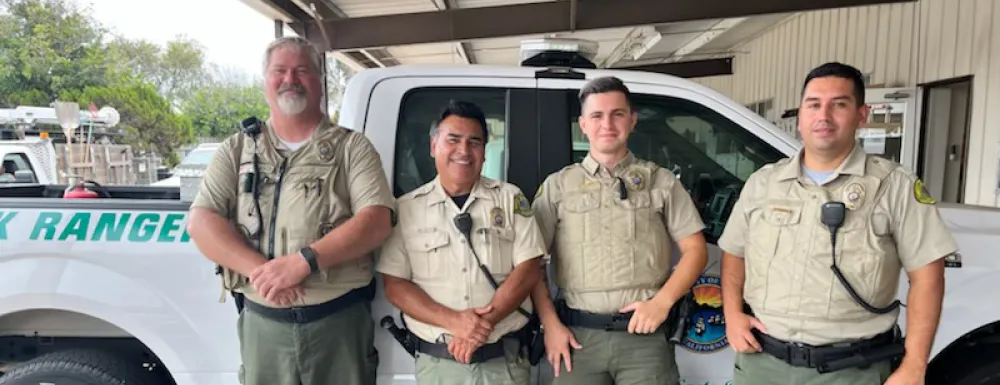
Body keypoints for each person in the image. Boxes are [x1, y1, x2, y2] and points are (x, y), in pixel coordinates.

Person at [718, 62, 957, 385]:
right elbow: (735, 253)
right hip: (764, 365)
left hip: (851, 371)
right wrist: (732, 315)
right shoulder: (764, 183)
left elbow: (928, 276)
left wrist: (914, 366)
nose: (824, 116)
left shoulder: (893, 186)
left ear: (861, 115)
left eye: (839, 104)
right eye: (813, 104)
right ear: (800, 115)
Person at [186, 36, 395, 385]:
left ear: (320, 82)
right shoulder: (237, 150)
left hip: (337, 324)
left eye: (302, 71)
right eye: (279, 71)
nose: (290, 79)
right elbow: (201, 221)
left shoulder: (351, 147)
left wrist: (301, 263)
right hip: (263, 327)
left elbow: (377, 219)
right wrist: (265, 272)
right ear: (265, 81)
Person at [529, 76, 709, 385]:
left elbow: (696, 250)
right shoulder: (559, 186)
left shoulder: (661, 182)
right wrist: (551, 325)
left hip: (644, 339)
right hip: (577, 338)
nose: (607, 124)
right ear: (583, 124)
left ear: (632, 120)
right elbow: (530, 263)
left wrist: (662, 303)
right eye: (597, 116)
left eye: (617, 114)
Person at [377, 100, 545, 385]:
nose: (464, 151)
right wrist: (454, 322)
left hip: (504, 363)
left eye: (474, 142)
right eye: (453, 140)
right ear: (433, 146)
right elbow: (395, 286)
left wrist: (482, 324)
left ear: (484, 151)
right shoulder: (406, 209)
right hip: (439, 363)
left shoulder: (509, 198)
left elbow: (529, 268)